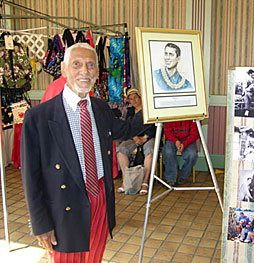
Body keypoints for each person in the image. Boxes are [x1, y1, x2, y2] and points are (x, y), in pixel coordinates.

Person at [20, 43, 139, 262]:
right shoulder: (38, 117)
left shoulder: (100, 108)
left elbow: (127, 129)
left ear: (96, 72)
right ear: (64, 69)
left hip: (100, 198)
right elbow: (30, 178)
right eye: (77, 65)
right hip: (65, 206)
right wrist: (40, 224)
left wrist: (157, 106)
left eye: (90, 65)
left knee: (94, 257)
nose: (84, 71)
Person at [116, 87, 156, 195]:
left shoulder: (148, 110)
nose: (134, 100)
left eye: (136, 98)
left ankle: (145, 182)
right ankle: (126, 181)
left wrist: (145, 137)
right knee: (121, 150)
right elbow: (127, 127)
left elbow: (155, 126)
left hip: (148, 137)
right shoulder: (130, 112)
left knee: (150, 152)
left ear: (140, 98)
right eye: (131, 99)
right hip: (134, 138)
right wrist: (134, 137)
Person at [162, 120, 199, 186]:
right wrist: (175, 141)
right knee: (168, 152)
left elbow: (195, 134)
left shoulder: (192, 116)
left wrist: (184, 144)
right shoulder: (169, 115)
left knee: (192, 154)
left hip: (188, 140)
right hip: (172, 140)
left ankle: (183, 176)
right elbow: (167, 133)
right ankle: (171, 178)